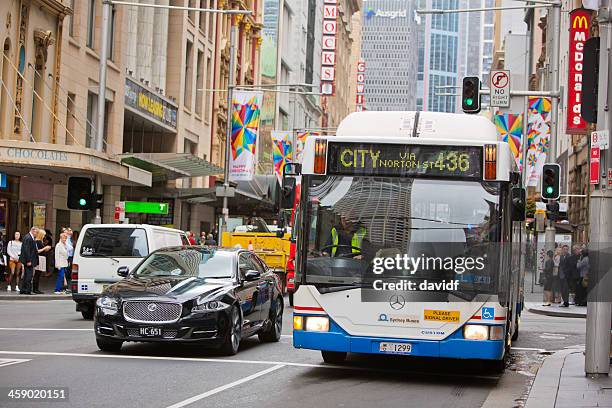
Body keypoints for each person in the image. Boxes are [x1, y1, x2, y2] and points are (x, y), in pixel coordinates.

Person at [19, 227, 39, 295]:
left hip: (28, 260)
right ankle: (28, 290)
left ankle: (23, 289)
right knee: (29, 276)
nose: (37, 234)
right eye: (37, 232)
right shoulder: (28, 238)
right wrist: (28, 260)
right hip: (28, 260)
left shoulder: (29, 237)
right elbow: (26, 250)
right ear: (33, 231)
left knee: (26, 275)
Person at [33, 229, 52, 294]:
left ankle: (36, 288)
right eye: (43, 235)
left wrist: (45, 249)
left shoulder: (40, 241)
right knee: (37, 274)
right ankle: (35, 289)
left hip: (41, 258)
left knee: (38, 274)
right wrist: (45, 248)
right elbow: (37, 251)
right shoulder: (38, 241)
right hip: (39, 258)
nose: (44, 236)